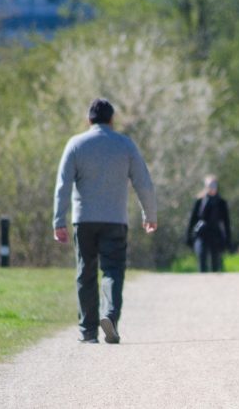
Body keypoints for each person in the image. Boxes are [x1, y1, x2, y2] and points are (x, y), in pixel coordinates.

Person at [53, 98, 158, 344]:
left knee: (85, 272)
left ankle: (88, 331)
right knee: (112, 270)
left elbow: (63, 185)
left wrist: (59, 221)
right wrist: (150, 215)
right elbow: (143, 182)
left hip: (84, 219)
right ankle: (109, 316)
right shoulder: (125, 145)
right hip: (114, 220)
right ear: (112, 120)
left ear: (89, 119)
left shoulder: (76, 144)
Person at [186, 175, 232, 273]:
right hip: (202, 234)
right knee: (201, 257)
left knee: (215, 262)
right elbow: (192, 219)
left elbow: (226, 222)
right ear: (206, 186)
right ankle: (202, 283)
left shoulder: (221, 202)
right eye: (210, 185)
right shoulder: (199, 201)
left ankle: (214, 284)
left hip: (215, 234)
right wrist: (188, 236)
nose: (212, 187)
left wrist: (228, 239)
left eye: (214, 185)